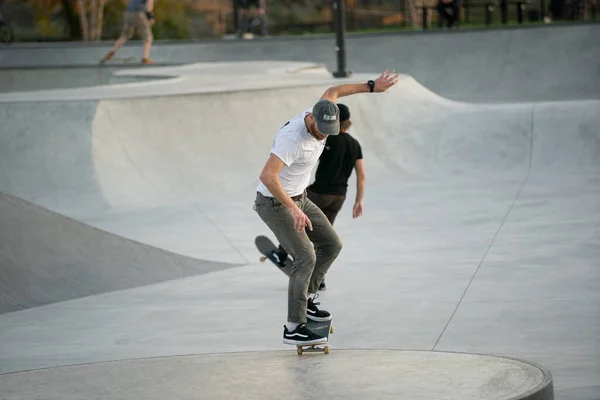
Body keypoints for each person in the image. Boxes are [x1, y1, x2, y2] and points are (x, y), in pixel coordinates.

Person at [254, 70, 399, 346]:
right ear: (310, 118)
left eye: (328, 132)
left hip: (301, 197)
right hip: (274, 202)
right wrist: (294, 210)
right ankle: (294, 326)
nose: (323, 136)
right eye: (320, 130)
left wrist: (372, 87)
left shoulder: (323, 108)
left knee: (332, 244)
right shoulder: (292, 140)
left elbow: (336, 90)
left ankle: (305, 299)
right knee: (306, 255)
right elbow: (267, 176)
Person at [274, 103, 365, 291]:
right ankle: (319, 279)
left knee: (297, 224)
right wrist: (359, 200)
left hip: (318, 192)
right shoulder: (355, 145)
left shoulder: (328, 139)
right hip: (339, 197)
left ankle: (281, 254)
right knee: (323, 238)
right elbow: (361, 175)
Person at [102, 0, 155, 64]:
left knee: (125, 36)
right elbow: (149, 3)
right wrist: (150, 17)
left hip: (128, 13)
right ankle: (145, 58)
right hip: (138, 13)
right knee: (148, 38)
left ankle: (112, 52)